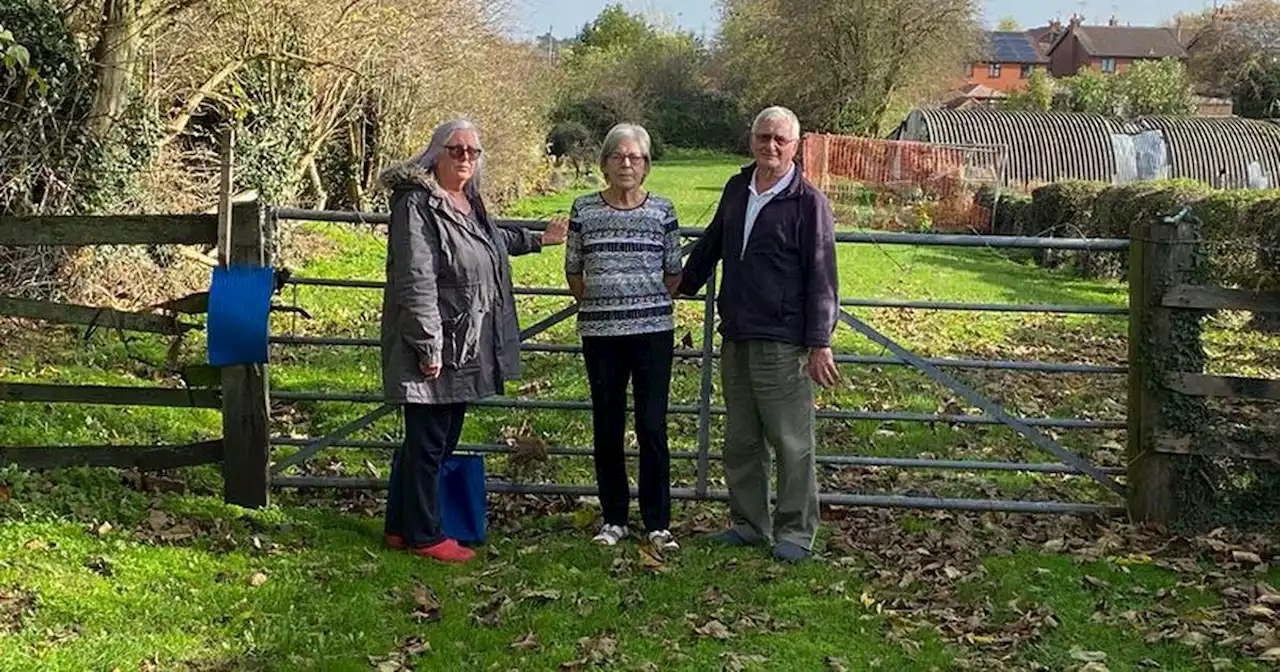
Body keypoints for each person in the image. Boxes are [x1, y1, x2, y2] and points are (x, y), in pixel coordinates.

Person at [378, 119, 568, 563]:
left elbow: (488, 241)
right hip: (438, 339)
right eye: (456, 149)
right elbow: (415, 277)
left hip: (466, 339)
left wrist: (538, 239)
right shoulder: (417, 205)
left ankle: (399, 527)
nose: (465, 157)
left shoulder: (467, 201)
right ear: (436, 153)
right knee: (430, 441)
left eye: (472, 151)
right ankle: (426, 534)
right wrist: (428, 345)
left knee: (433, 439)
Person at [678, 106, 840, 563]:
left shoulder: (809, 203)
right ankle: (749, 524)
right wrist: (684, 284)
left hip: (784, 339)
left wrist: (819, 341)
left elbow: (822, 275)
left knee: (791, 441)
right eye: (763, 136)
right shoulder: (737, 188)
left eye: (780, 141)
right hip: (738, 332)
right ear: (752, 139)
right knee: (742, 439)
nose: (770, 146)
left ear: (795, 147)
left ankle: (795, 532)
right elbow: (713, 242)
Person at [556, 123, 682, 550]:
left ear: (646, 165)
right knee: (607, 425)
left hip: (652, 333)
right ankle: (614, 518)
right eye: (618, 156)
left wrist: (642, 302)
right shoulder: (584, 209)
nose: (626, 164)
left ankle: (657, 522)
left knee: (651, 426)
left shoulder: (662, 210)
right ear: (605, 163)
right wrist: (599, 303)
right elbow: (573, 269)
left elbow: (673, 271)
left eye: (635, 157)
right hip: (601, 334)